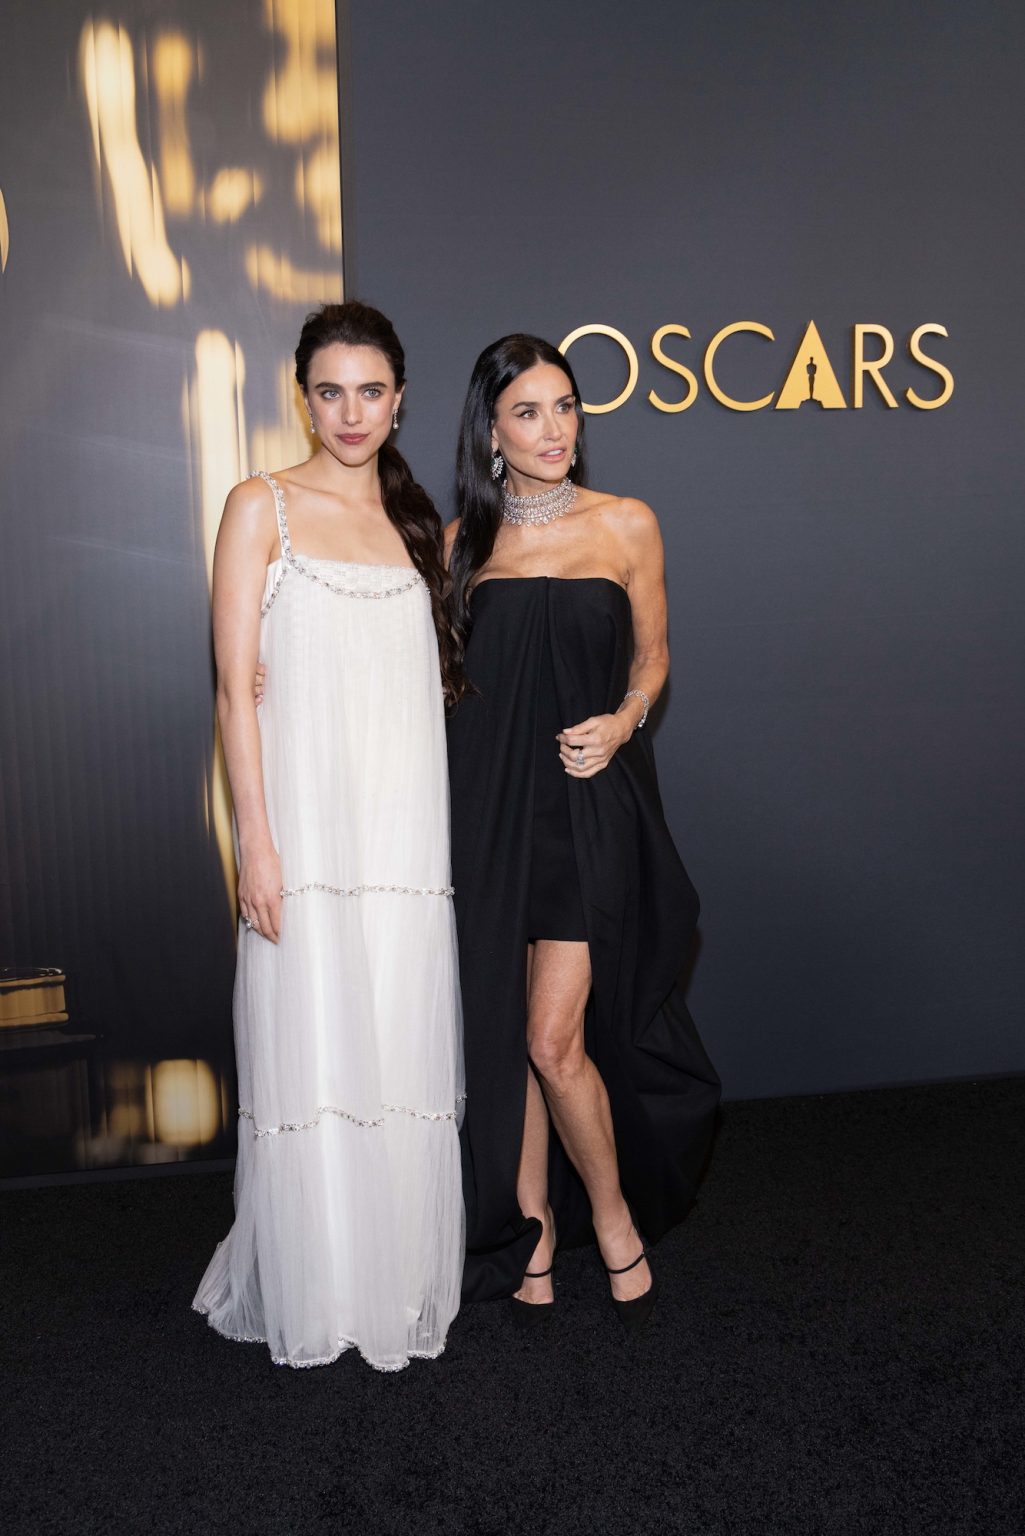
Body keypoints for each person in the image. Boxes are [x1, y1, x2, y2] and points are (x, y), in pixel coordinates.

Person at [193, 301, 465, 1371]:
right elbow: (233, 694)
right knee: (312, 1052)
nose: (349, 413)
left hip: (402, 842)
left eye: (370, 391)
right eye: (328, 391)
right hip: (301, 835)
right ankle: (321, 1284)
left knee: (395, 1044)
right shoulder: (259, 507)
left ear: (398, 401)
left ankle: (392, 1279)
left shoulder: (416, 526)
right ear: (301, 397)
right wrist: (255, 845)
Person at [446, 335, 720, 1328]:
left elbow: (650, 660)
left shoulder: (626, 524)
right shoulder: (456, 547)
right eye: (527, 412)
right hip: (488, 821)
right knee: (510, 1038)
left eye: (564, 407)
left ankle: (607, 1215)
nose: (552, 429)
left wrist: (622, 720)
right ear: (489, 431)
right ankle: (532, 1230)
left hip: (581, 814)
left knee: (551, 1038)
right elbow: (423, 685)